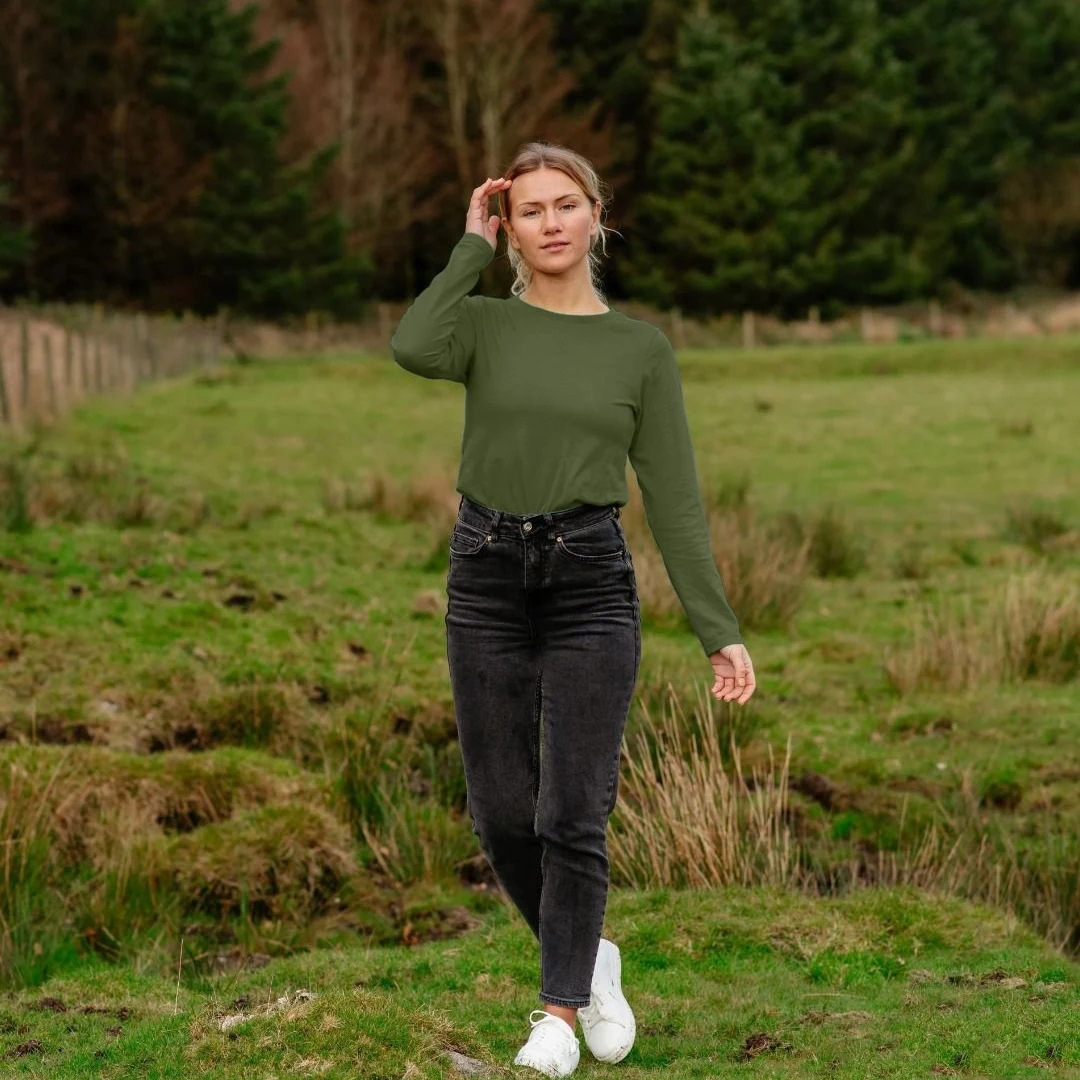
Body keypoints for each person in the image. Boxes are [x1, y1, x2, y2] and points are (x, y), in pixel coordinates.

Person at [390, 141, 756, 1077]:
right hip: (484, 577)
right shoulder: (482, 325)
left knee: (571, 813)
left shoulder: (640, 350)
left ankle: (556, 1017)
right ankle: (591, 959)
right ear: (509, 229)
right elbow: (412, 345)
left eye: (566, 204)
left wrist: (717, 630)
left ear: (597, 215)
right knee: (500, 812)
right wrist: (467, 249)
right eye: (530, 210)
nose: (551, 222)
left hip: (589, 581)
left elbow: (673, 497)